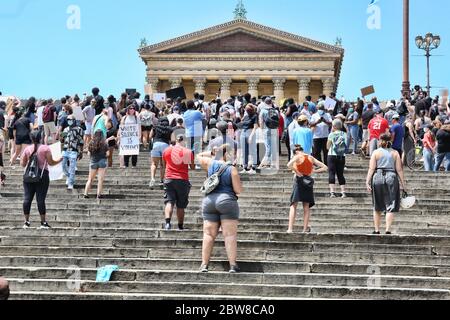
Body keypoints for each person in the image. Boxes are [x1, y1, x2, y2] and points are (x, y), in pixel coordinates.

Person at [197, 144, 243, 273]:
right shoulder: (231, 169)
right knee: (229, 235)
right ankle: (233, 265)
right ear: (226, 154)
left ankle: (204, 265)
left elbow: (197, 156)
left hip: (209, 201)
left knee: (208, 234)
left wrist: (211, 152)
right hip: (227, 201)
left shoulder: (209, 164)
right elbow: (238, 190)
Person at [366, 134, 407, 235]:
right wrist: (403, 185)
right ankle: (388, 229)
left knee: (377, 204)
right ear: (390, 141)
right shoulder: (395, 153)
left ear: (380, 140)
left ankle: (376, 230)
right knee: (391, 203)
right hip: (391, 176)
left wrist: (367, 181)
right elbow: (399, 169)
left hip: (378, 176)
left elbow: (371, 168)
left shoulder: (376, 152)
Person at [21, 130, 62, 229]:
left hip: (28, 177)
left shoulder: (27, 149)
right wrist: (60, 160)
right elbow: (51, 162)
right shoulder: (45, 148)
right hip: (42, 176)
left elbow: (22, 164)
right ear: (41, 138)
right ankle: (43, 222)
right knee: (40, 199)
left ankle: (26, 222)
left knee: (27, 199)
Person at [287, 145, 328, 233]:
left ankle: (290, 228)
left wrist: (297, 172)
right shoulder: (310, 157)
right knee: (306, 206)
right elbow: (325, 167)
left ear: (295, 152)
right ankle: (305, 229)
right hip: (308, 181)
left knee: (293, 205)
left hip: (298, 181)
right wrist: (314, 171)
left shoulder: (297, 156)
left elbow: (288, 164)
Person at [162, 134, 195, 231]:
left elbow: (164, 164)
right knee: (181, 205)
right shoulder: (187, 151)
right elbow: (192, 167)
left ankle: (167, 224)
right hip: (182, 179)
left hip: (169, 178)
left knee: (169, 202)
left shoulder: (167, 150)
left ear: (176, 140)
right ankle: (180, 226)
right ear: (184, 141)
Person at [83, 130, 108, 199]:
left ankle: (85, 194)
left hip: (93, 161)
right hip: (102, 161)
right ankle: (98, 195)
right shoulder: (104, 143)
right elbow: (108, 154)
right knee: (100, 180)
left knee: (90, 179)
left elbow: (88, 153)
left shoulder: (91, 142)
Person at [61, 115, 84, 190]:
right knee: (63, 165)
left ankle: (70, 183)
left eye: (70, 119)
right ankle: (69, 176)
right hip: (65, 149)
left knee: (72, 167)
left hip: (74, 150)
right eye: (68, 120)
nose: (69, 121)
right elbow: (62, 140)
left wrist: (81, 151)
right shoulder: (66, 129)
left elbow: (81, 141)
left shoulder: (79, 129)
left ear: (74, 120)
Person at [149, 117, 173, 189]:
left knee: (154, 164)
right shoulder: (170, 129)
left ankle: (152, 178)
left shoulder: (155, 127)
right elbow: (172, 140)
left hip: (156, 144)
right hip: (165, 146)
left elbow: (150, 136)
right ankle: (162, 181)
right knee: (163, 165)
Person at [327, 119, 348, 198]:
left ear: (334, 126)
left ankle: (332, 192)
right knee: (340, 174)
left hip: (332, 155)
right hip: (341, 156)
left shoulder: (331, 134)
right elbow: (346, 145)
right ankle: (343, 192)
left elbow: (327, 146)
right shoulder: (344, 134)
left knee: (331, 173)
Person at [258, 97, 280, 169]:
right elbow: (278, 120)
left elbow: (261, 121)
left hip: (266, 130)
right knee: (273, 146)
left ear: (265, 103)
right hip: (274, 130)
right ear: (271, 103)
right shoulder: (276, 111)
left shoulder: (263, 111)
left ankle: (266, 162)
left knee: (268, 146)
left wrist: (261, 130)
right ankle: (271, 162)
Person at [239, 104, 258, 174]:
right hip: (243, 132)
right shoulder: (246, 116)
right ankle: (245, 167)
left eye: (248, 109)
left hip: (250, 132)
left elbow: (255, 127)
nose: (247, 110)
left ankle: (253, 167)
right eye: (246, 109)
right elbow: (241, 122)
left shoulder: (255, 116)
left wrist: (251, 136)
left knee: (253, 150)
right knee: (244, 151)